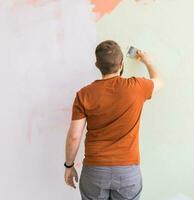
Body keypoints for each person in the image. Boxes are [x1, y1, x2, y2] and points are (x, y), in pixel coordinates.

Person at [64, 40, 163, 199]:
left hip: (94, 171)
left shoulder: (84, 94)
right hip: (127, 171)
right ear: (122, 64)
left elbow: (74, 136)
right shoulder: (136, 87)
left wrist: (69, 166)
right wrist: (148, 62)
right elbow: (159, 81)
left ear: (97, 65)